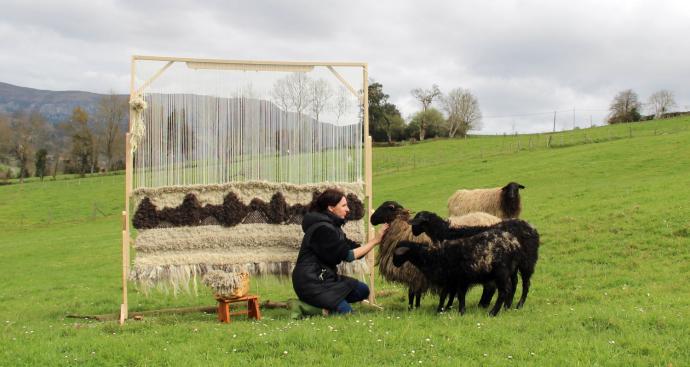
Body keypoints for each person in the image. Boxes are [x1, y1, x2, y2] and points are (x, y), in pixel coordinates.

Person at [290, 188, 388, 317]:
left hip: (326, 278)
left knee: (362, 290)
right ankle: (308, 306)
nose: (348, 209)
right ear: (331, 208)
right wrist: (375, 241)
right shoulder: (322, 229)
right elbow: (348, 255)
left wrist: (382, 239)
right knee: (346, 313)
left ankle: (328, 302)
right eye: (344, 205)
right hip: (311, 282)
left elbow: (354, 248)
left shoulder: (332, 226)